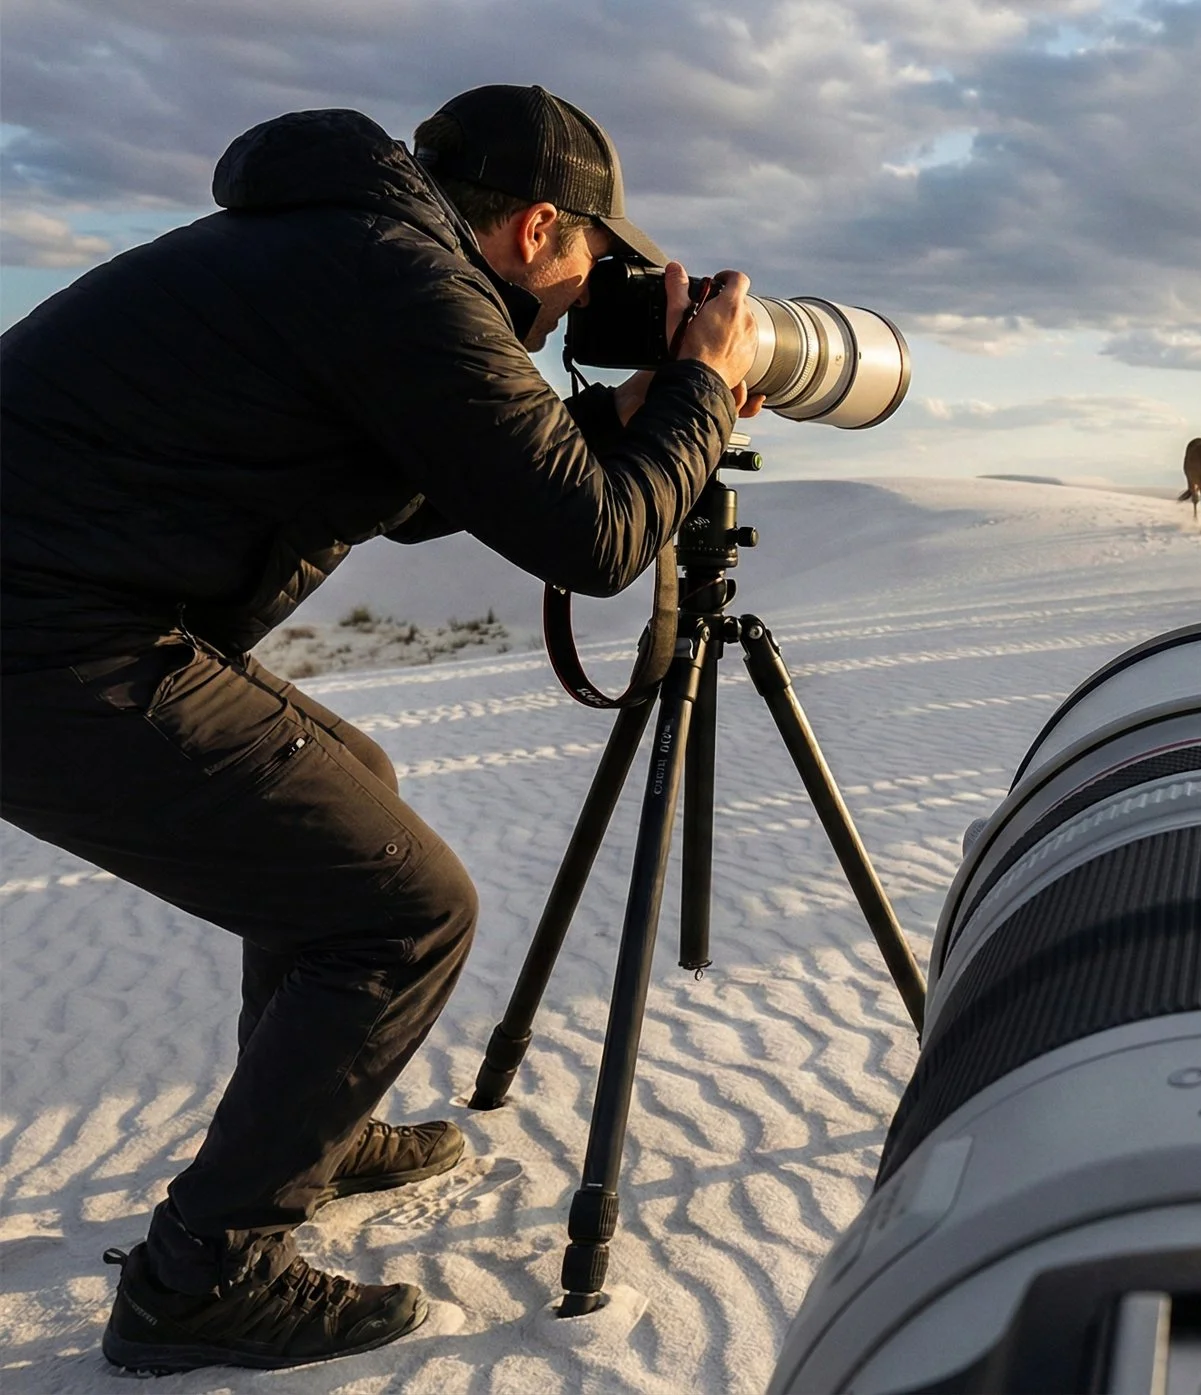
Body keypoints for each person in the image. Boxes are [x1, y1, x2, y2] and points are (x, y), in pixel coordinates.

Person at [0, 85, 765, 1372]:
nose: (586, 297)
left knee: (351, 783)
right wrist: (700, 387)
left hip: (60, 621)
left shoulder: (346, 247)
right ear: (535, 229)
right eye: (590, 259)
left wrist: (621, 418)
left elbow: (420, 487)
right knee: (403, 909)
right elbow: (598, 542)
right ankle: (206, 1278)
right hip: (47, 645)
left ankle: (317, 1127)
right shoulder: (403, 279)